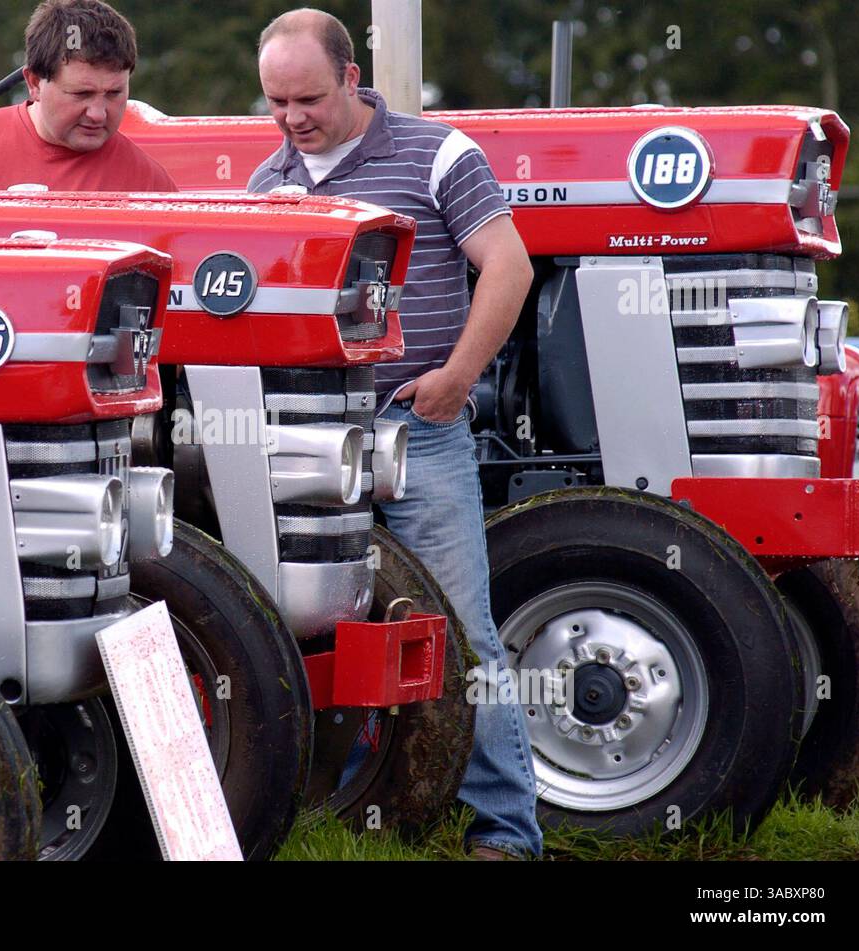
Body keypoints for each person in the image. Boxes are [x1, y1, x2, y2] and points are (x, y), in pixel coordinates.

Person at [247, 8, 541, 860]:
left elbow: (509, 265)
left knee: (465, 628)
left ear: (350, 77)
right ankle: (323, 813)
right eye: (276, 102)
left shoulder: (440, 154)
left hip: (415, 427)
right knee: (300, 623)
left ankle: (507, 835)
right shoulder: (271, 188)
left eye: (308, 98)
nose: (294, 118)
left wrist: (456, 380)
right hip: (305, 434)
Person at [0, 0, 175, 192]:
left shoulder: (150, 187)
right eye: (82, 94)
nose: (97, 113)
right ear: (34, 82)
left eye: (114, 93)